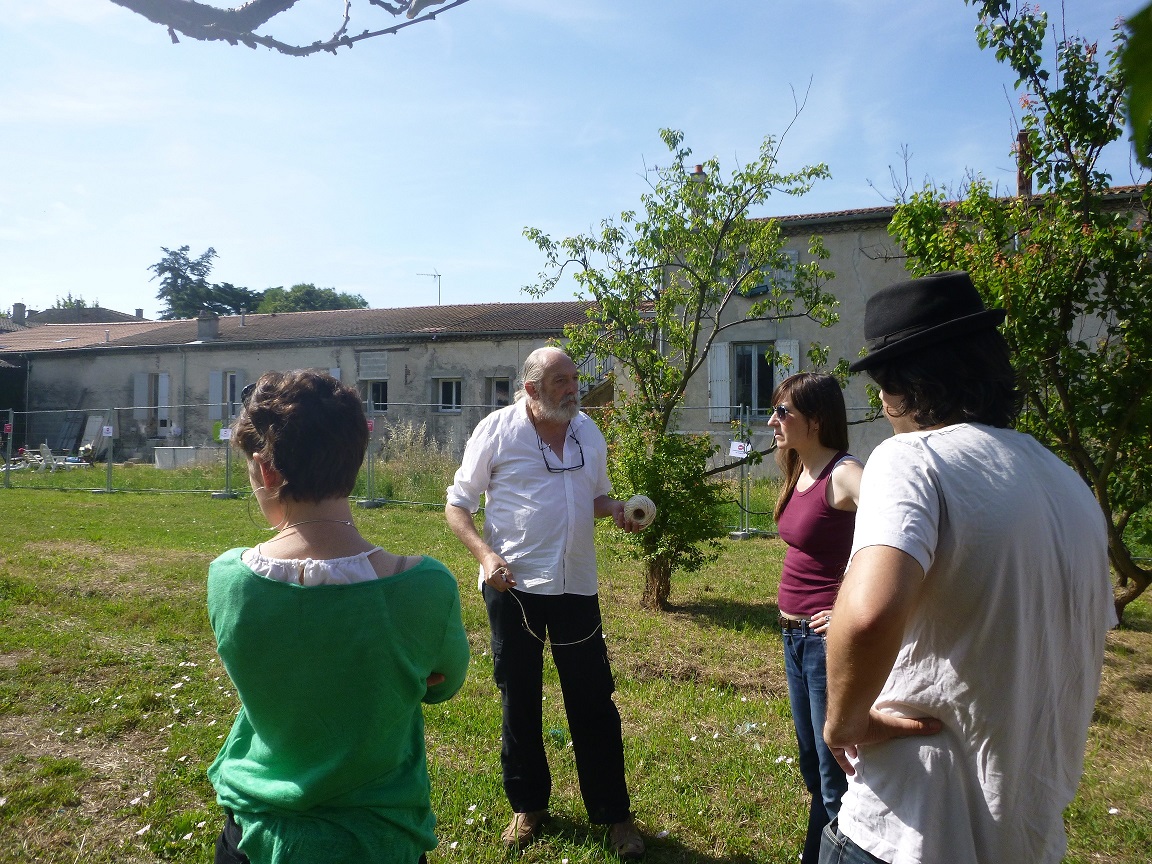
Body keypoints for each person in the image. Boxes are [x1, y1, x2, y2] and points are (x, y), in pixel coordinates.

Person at [821, 272, 1116, 864]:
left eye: (883, 387)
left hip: (911, 824)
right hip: (1027, 833)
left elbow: (869, 613)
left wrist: (844, 722)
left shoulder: (911, 459)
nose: (882, 405)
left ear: (902, 387)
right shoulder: (1068, 483)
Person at [207, 369, 470, 864]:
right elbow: (443, 683)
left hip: (253, 836)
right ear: (355, 458)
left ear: (267, 472)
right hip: (380, 838)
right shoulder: (425, 588)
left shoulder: (228, 579)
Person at [444, 346, 646, 858]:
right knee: (521, 700)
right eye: (560, 380)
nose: (573, 388)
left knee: (594, 701)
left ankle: (614, 815)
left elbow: (593, 498)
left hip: (576, 585)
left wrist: (618, 509)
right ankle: (528, 806)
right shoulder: (496, 430)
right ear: (531, 389)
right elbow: (458, 506)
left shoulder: (588, 433)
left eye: (574, 378)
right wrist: (487, 557)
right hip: (514, 589)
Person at [769, 372, 862, 864]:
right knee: (813, 763)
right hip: (793, 636)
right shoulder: (799, 469)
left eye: (784, 412)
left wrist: (847, 600)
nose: (773, 421)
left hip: (823, 640)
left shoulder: (843, 474)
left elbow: (898, 527)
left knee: (833, 771)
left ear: (818, 419)